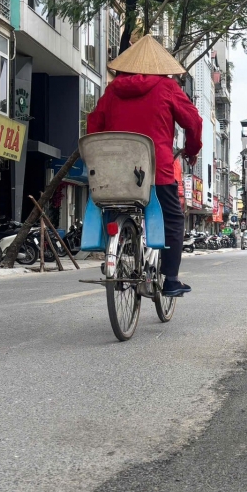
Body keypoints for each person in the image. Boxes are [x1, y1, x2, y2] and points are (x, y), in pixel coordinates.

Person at [86, 35, 202, 297]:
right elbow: (193, 123)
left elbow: (93, 127)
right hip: (156, 172)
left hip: (114, 172)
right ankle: (171, 279)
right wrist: (192, 151)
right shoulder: (167, 87)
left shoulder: (112, 90)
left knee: (113, 205)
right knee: (172, 218)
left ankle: (115, 252)